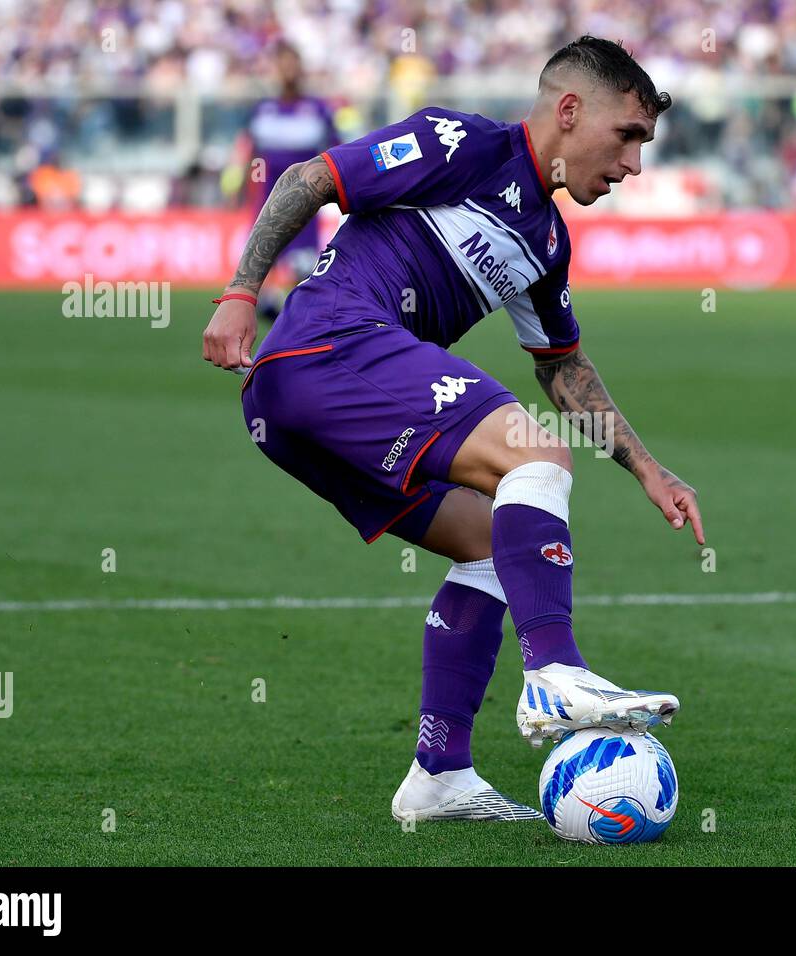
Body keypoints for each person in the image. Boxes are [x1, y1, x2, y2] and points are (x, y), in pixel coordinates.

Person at [202, 36, 704, 823]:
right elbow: (311, 178)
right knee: (534, 453)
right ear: (569, 111)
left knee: (493, 545)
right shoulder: (462, 145)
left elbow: (562, 368)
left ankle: (439, 774)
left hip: (301, 408)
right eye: (628, 135)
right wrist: (239, 291)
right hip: (327, 347)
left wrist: (647, 467)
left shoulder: (545, 243)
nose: (634, 163)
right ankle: (556, 670)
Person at [226, 41, 338, 319]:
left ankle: (298, 309)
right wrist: (239, 183)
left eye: (292, 64)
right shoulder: (263, 109)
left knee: (303, 263)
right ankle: (267, 301)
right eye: (282, 64)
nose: (288, 71)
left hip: (307, 195)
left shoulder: (318, 109)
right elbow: (249, 149)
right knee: (264, 247)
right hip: (266, 192)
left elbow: (336, 150)